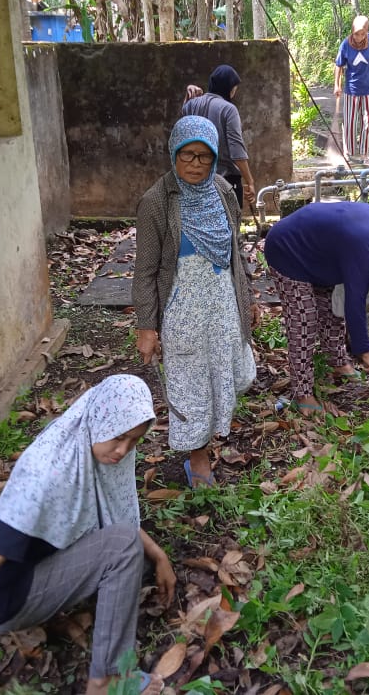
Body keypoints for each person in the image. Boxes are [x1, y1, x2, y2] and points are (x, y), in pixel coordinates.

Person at [0, 374, 174, 695]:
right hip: (10, 599)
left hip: (35, 569)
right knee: (123, 547)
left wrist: (158, 555)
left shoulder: (87, 436)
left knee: (135, 554)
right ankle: (106, 682)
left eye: (134, 441)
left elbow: (111, 509)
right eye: (119, 437)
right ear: (102, 420)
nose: (123, 450)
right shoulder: (49, 475)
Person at [133, 115, 257, 487]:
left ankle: (214, 434)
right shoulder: (156, 202)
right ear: (174, 153)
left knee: (223, 374)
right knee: (190, 383)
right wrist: (146, 327)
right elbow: (145, 271)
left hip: (221, 303)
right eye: (187, 155)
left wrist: (247, 298)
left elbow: (235, 251)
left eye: (205, 156)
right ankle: (198, 457)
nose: (195, 164)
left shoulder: (222, 190)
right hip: (182, 309)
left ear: (215, 157)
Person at [263, 203, 369, 416]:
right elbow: (354, 301)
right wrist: (365, 351)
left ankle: (337, 362)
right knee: (304, 322)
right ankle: (302, 393)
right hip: (286, 249)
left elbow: (344, 302)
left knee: (331, 310)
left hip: (319, 253)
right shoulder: (366, 246)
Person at [181, 65, 256, 211]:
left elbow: (184, 121)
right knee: (229, 222)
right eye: (234, 87)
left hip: (195, 179)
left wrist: (189, 94)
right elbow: (236, 150)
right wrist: (250, 181)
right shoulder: (228, 109)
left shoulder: (192, 105)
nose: (234, 92)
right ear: (229, 87)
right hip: (225, 181)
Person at [334, 15, 369, 162]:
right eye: (356, 34)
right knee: (350, 122)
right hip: (352, 89)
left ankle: (365, 154)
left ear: (367, 31)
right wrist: (337, 85)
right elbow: (338, 65)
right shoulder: (346, 44)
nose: (359, 37)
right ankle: (348, 152)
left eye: (362, 34)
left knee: (368, 122)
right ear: (352, 31)